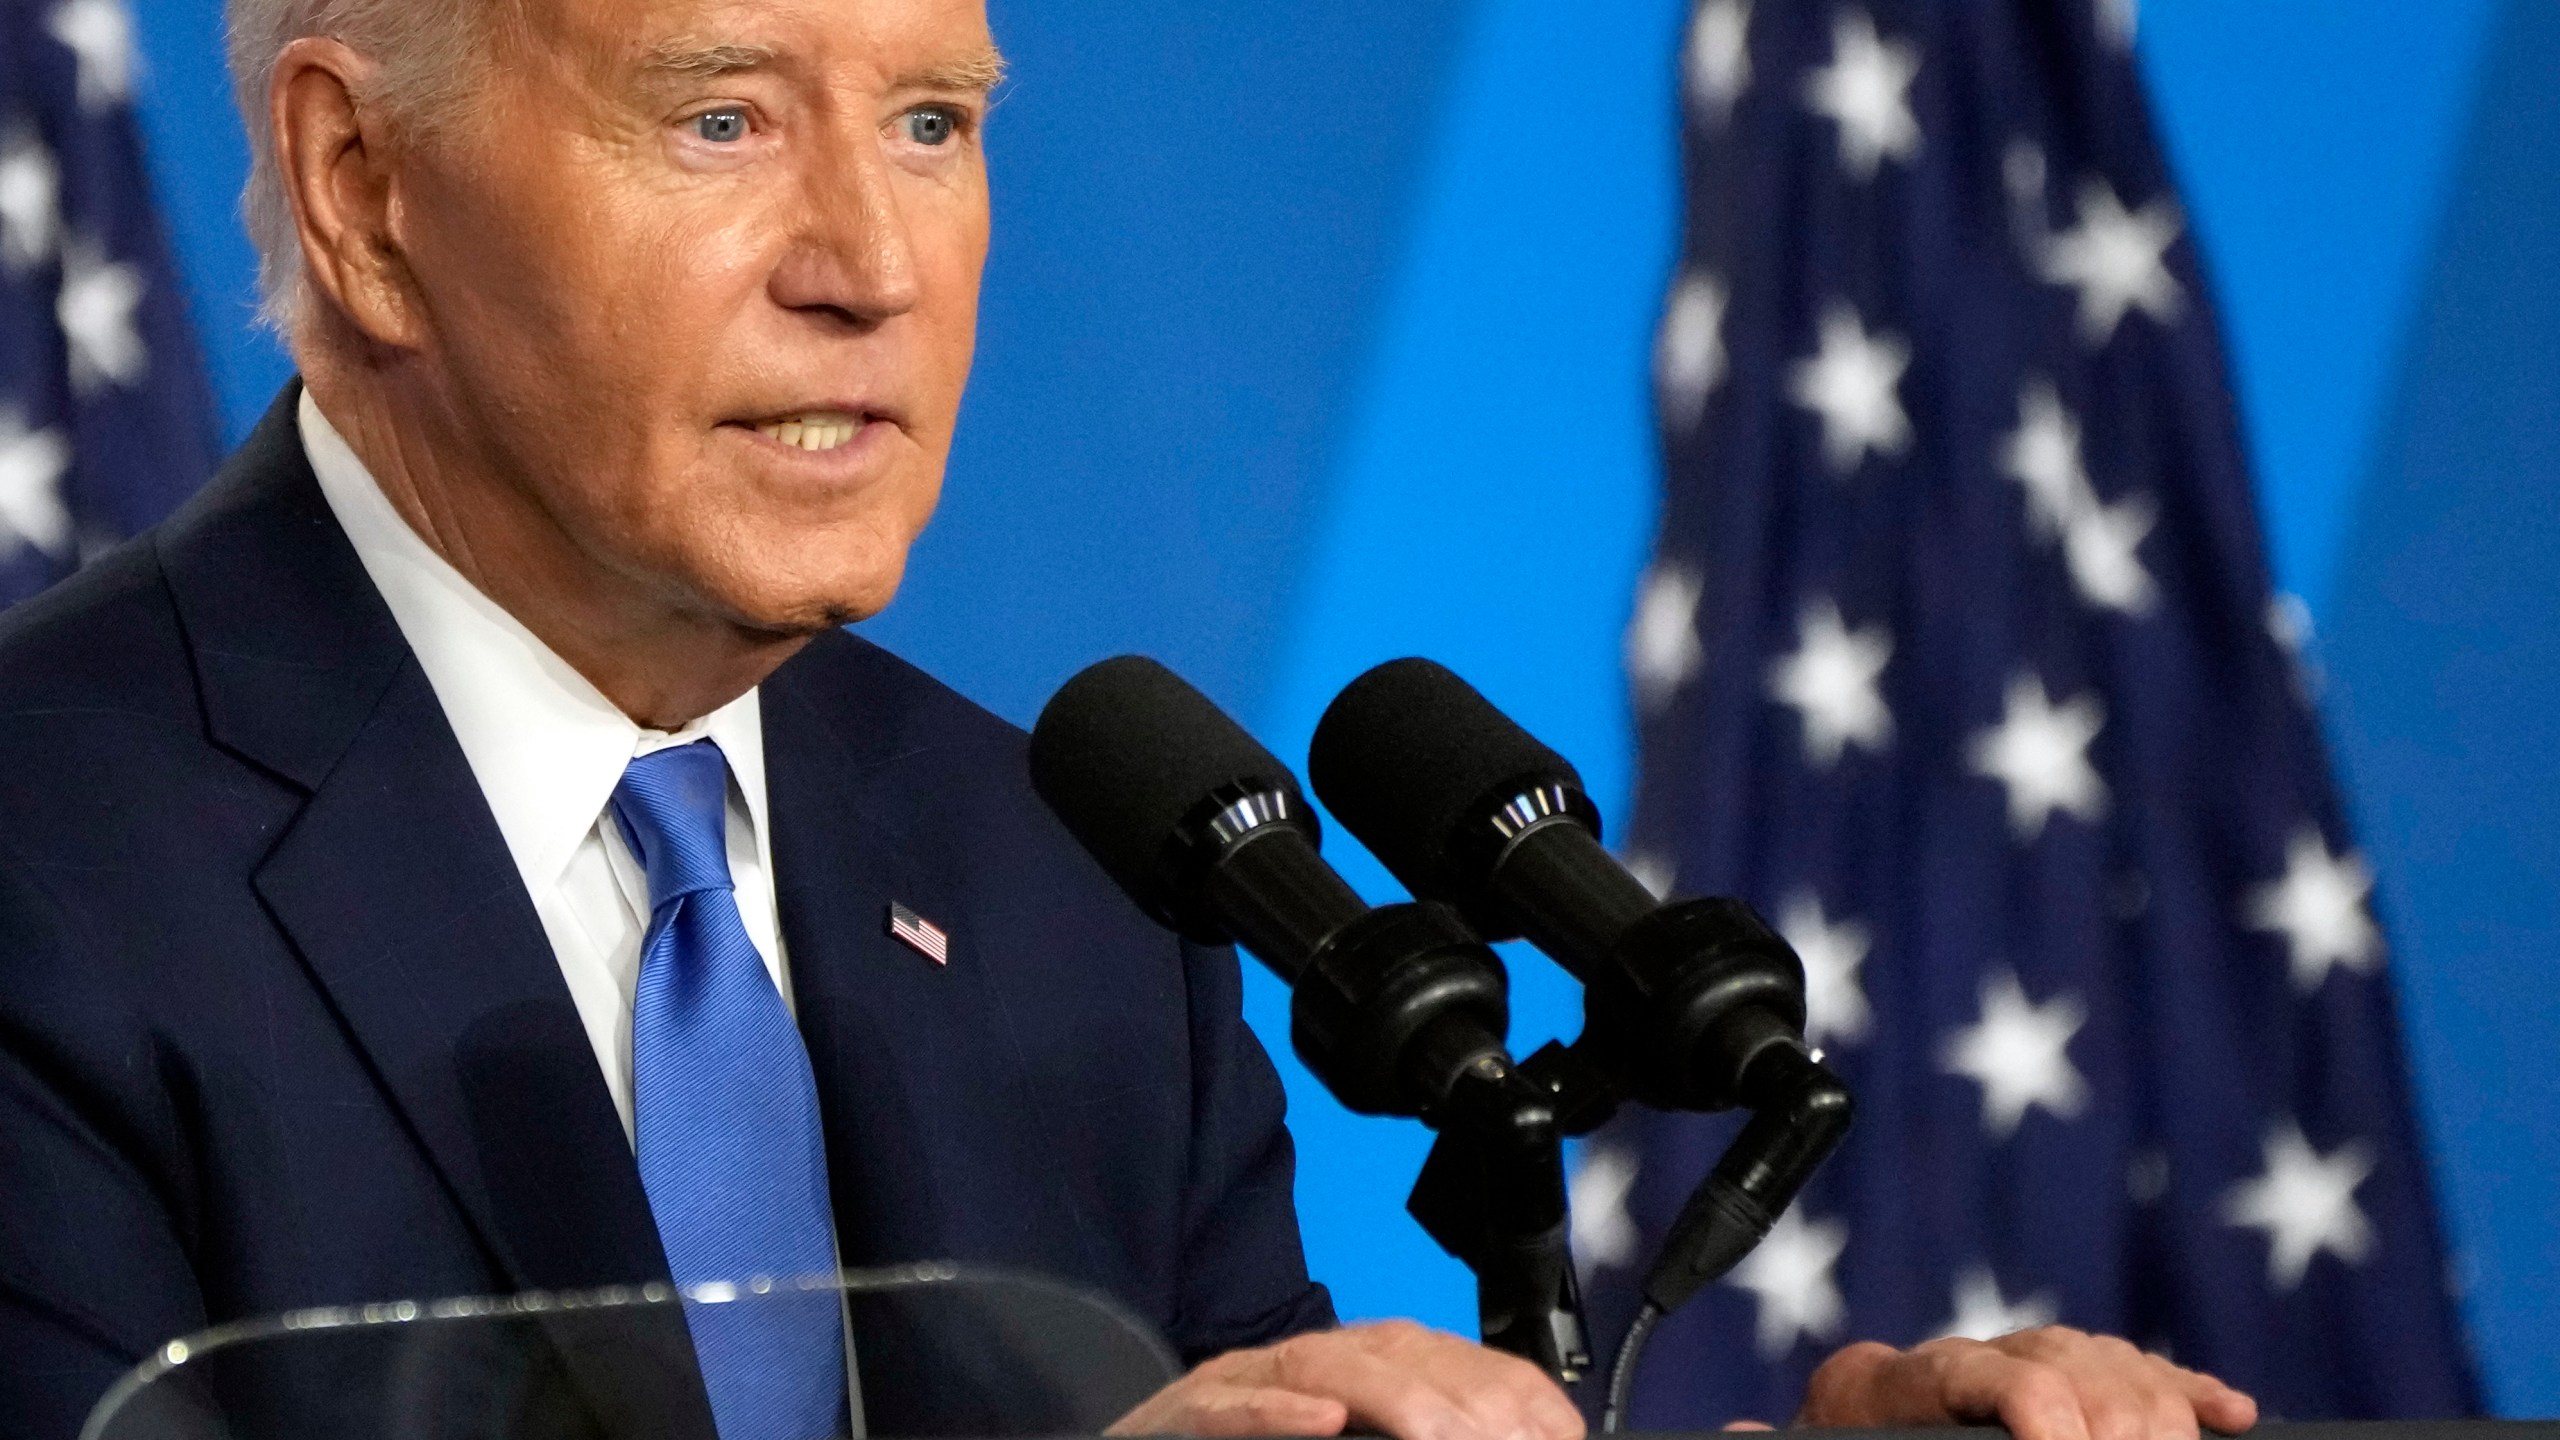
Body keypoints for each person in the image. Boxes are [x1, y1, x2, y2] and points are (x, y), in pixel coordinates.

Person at [0, 1, 2263, 1438]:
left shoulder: (1072, 877)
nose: (867, 260)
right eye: (715, 118)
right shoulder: (48, 861)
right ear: (362, 187)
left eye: (927, 118)